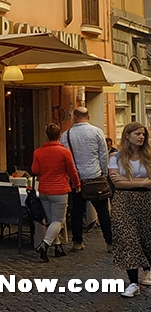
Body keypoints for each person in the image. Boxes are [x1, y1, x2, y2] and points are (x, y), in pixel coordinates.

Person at [60, 107, 113, 252]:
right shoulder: (97, 132)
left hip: (76, 179)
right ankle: (109, 242)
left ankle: (77, 241)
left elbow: (66, 159)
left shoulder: (66, 135)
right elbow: (103, 154)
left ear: (74, 117)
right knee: (103, 211)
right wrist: (103, 173)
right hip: (95, 176)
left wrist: (70, 176)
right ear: (88, 116)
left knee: (77, 211)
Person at [108, 122, 151, 298]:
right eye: (137, 134)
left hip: (146, 201)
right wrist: (144, 182)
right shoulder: (116, 157)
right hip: (123, 202)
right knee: (128, 240)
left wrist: (129, 181)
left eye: (143, 134)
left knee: (146, 238)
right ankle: (133, 282)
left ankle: (147, 270)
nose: (141, 137)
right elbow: (117, 182)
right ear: (127, 135)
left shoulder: (148, 156)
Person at [31, 123, 81, 262]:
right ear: (60, 136)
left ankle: (58, 247)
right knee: (58, 220)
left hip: (44, 190)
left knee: (51, 220)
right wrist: (77, 184)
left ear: (46, 135)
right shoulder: (64, 152)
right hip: (59, 189)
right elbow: (72, 171)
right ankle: (45, 245)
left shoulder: (38, 152)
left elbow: (35, 170)